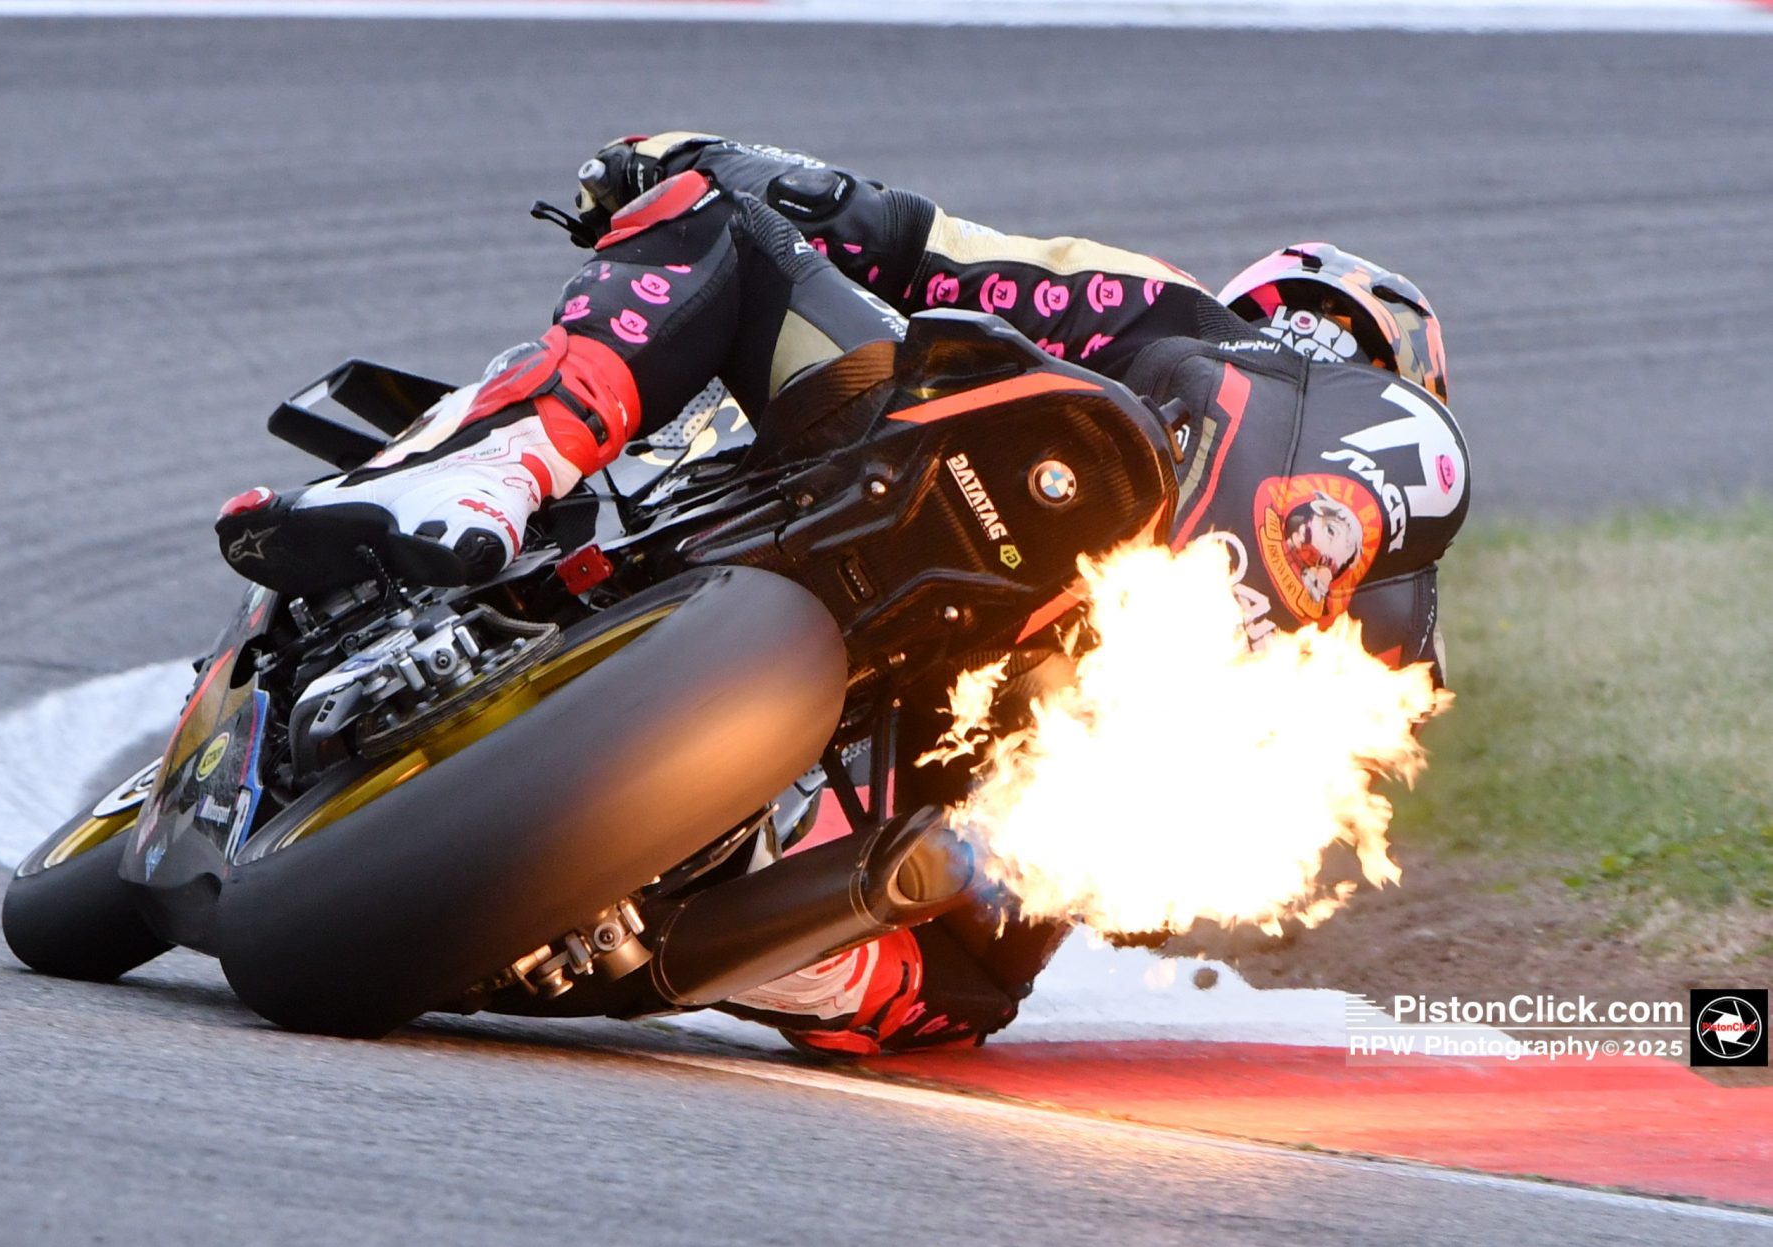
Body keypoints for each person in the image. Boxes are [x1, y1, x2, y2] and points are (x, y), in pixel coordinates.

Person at [216, 133, 1469, 1056]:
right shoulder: (1382, 642)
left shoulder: (1169, 312)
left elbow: (914, 236)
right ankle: (818, 955)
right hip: (1023, 654)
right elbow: (1206, 882)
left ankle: (500, 470)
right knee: (970, 970)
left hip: (945, 506)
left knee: (711, 215)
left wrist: (690, 163)